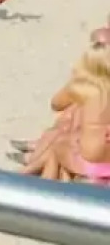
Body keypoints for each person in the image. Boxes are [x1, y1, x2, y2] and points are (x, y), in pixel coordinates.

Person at [17, 27, 110, 182]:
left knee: (57, 147)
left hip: (92, 164)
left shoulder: (84, 87)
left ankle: (44, 187)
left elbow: (56, 104)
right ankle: (36, 173)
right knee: (68, 137)